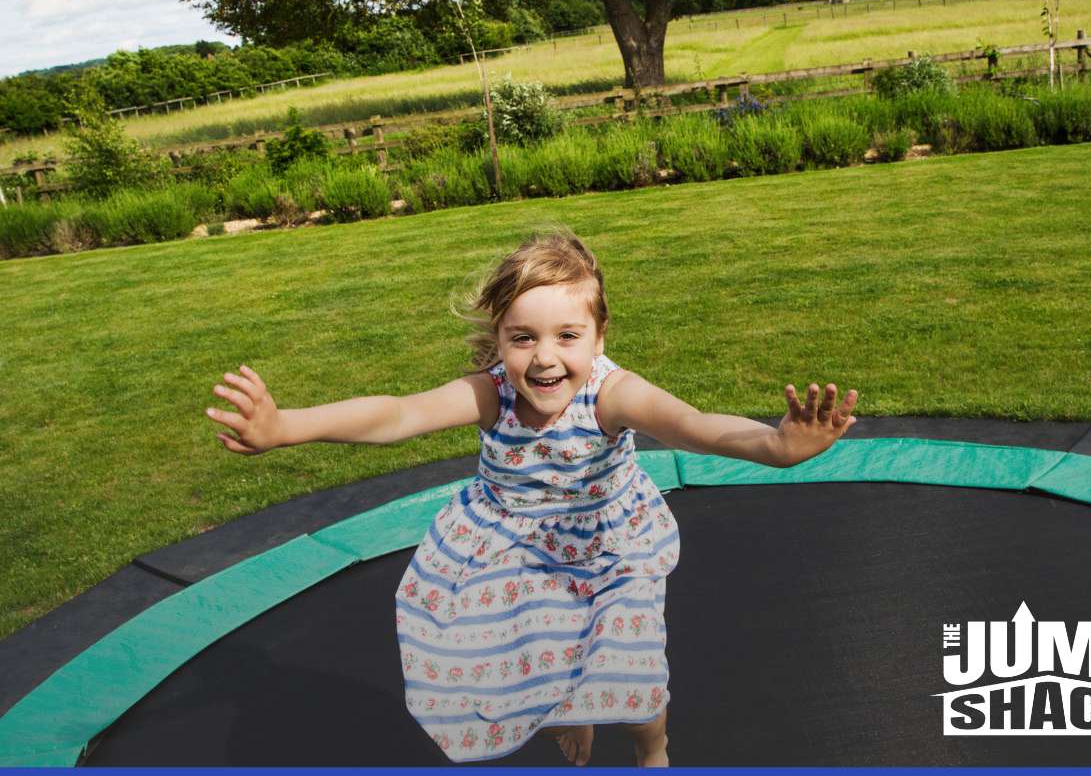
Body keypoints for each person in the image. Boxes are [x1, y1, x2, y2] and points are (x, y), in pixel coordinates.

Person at [204, 225, 858, 767]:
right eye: (524, 339)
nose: (545, 359)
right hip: (514, 545)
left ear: (599, 339)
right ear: (500, 342)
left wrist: (773, 447)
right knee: (526, 666)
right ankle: (567, 714)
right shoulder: (493, 391)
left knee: (627, 672)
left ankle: (652, 748)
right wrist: (287, 426)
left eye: (567, 337)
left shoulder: (612, 394)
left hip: (606, 545)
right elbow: (397, 415)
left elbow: (692, 425)